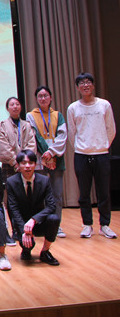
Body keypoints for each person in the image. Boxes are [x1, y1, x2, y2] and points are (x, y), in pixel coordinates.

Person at [67, 72, 117, 239]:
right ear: (77, 87)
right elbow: (72, 133)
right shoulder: (73, 108)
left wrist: (102, 145)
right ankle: (87, 224)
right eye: (82, 83)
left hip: (101, 154)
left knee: (104, 192)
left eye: (88, 82)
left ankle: (105, 225)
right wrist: (81, 148)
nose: (85, 85)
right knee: (84, 193)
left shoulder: (104, 105)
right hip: (81, 155)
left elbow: (111, 129)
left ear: (93, 85)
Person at [26, 86, 67, 238]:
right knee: (39, 194)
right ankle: (39, 224)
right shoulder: (31, 116)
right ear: (36, 99)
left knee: (57, 194)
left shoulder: (58, 115)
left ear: (50, 97)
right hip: (39, 159)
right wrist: (46, 155)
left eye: (46, 95)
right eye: (40, 96)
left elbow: (62, 136)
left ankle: (56, 225)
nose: (43, 98)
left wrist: (52, 153)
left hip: (56, 159)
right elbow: (35, 136)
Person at [6, 150, 60, 265]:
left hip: (38, 221)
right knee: (28, 245)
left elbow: (51, 206)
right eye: (24, 163)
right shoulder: (11, 182)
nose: (27, 166)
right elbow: (13, 209)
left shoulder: (44, 180)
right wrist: (24, 230)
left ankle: (45, 251)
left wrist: (34, 220)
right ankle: (26, 250)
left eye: (30, 163)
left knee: (54, 219)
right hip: (22, 222)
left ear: (35, 164)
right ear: (18, 165)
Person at [0, 97, 36, 187]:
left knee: (27, 190)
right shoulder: (3, 125)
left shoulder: (27, 125)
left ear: (21, 107)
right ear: (7, 108)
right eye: (12, 105)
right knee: (10, 191)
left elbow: (32, 144)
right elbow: (3, 147)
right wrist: (16, 163)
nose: (15, 107)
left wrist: (24, 162)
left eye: (17, 104)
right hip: (9, 165)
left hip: (26, 165)